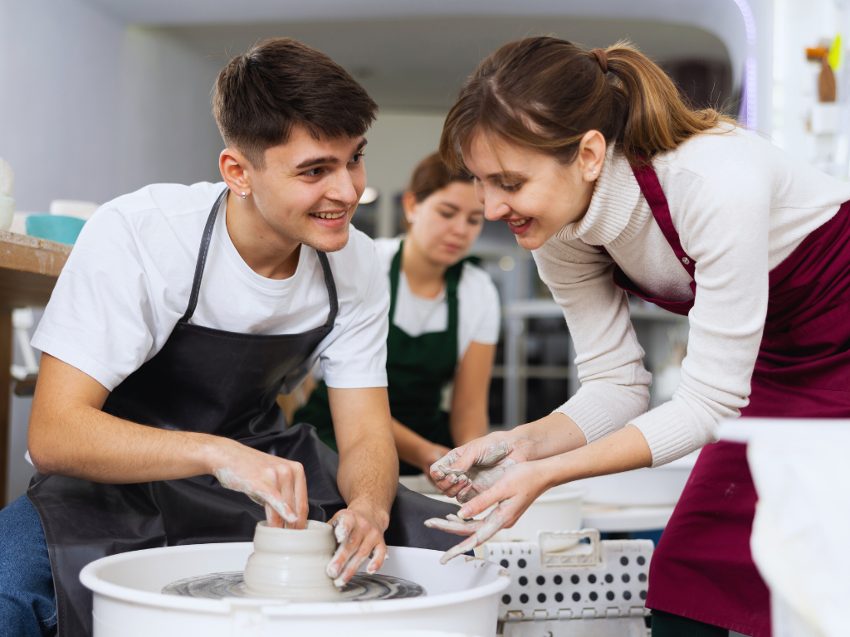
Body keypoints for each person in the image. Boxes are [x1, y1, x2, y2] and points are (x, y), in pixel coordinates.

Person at [0, 38, 455, 637]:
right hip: (119, 476)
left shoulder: (358, 264)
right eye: (315, 170)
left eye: (354, 160)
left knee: (450, 553)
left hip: (266, 468)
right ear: (238, 171)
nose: (347, 192)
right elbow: (56, 432)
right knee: (11, 588)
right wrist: (216, 455)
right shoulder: (143, 235)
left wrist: (368, 506)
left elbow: (367, 432)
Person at [424, 36, 850, 637]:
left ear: (590, 154)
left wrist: (550, 474)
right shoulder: (560, 231)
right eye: (479, 182)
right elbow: (615, 385)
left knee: (827, 569)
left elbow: (708, 405)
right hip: (776, 364)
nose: (492, 207)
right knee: (690, 572)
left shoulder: (710, 180)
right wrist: (521, 446)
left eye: (510, 182)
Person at [294, 152, 500, 476]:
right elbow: (348, 395)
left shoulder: (479, 290)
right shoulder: (367, 264)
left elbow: (469, 409)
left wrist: (473, 464)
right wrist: (426, 454)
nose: (460, 230)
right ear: (412, 206)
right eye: (447, 213)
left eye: (474, 220)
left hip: (427, 444)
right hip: (339, 435)